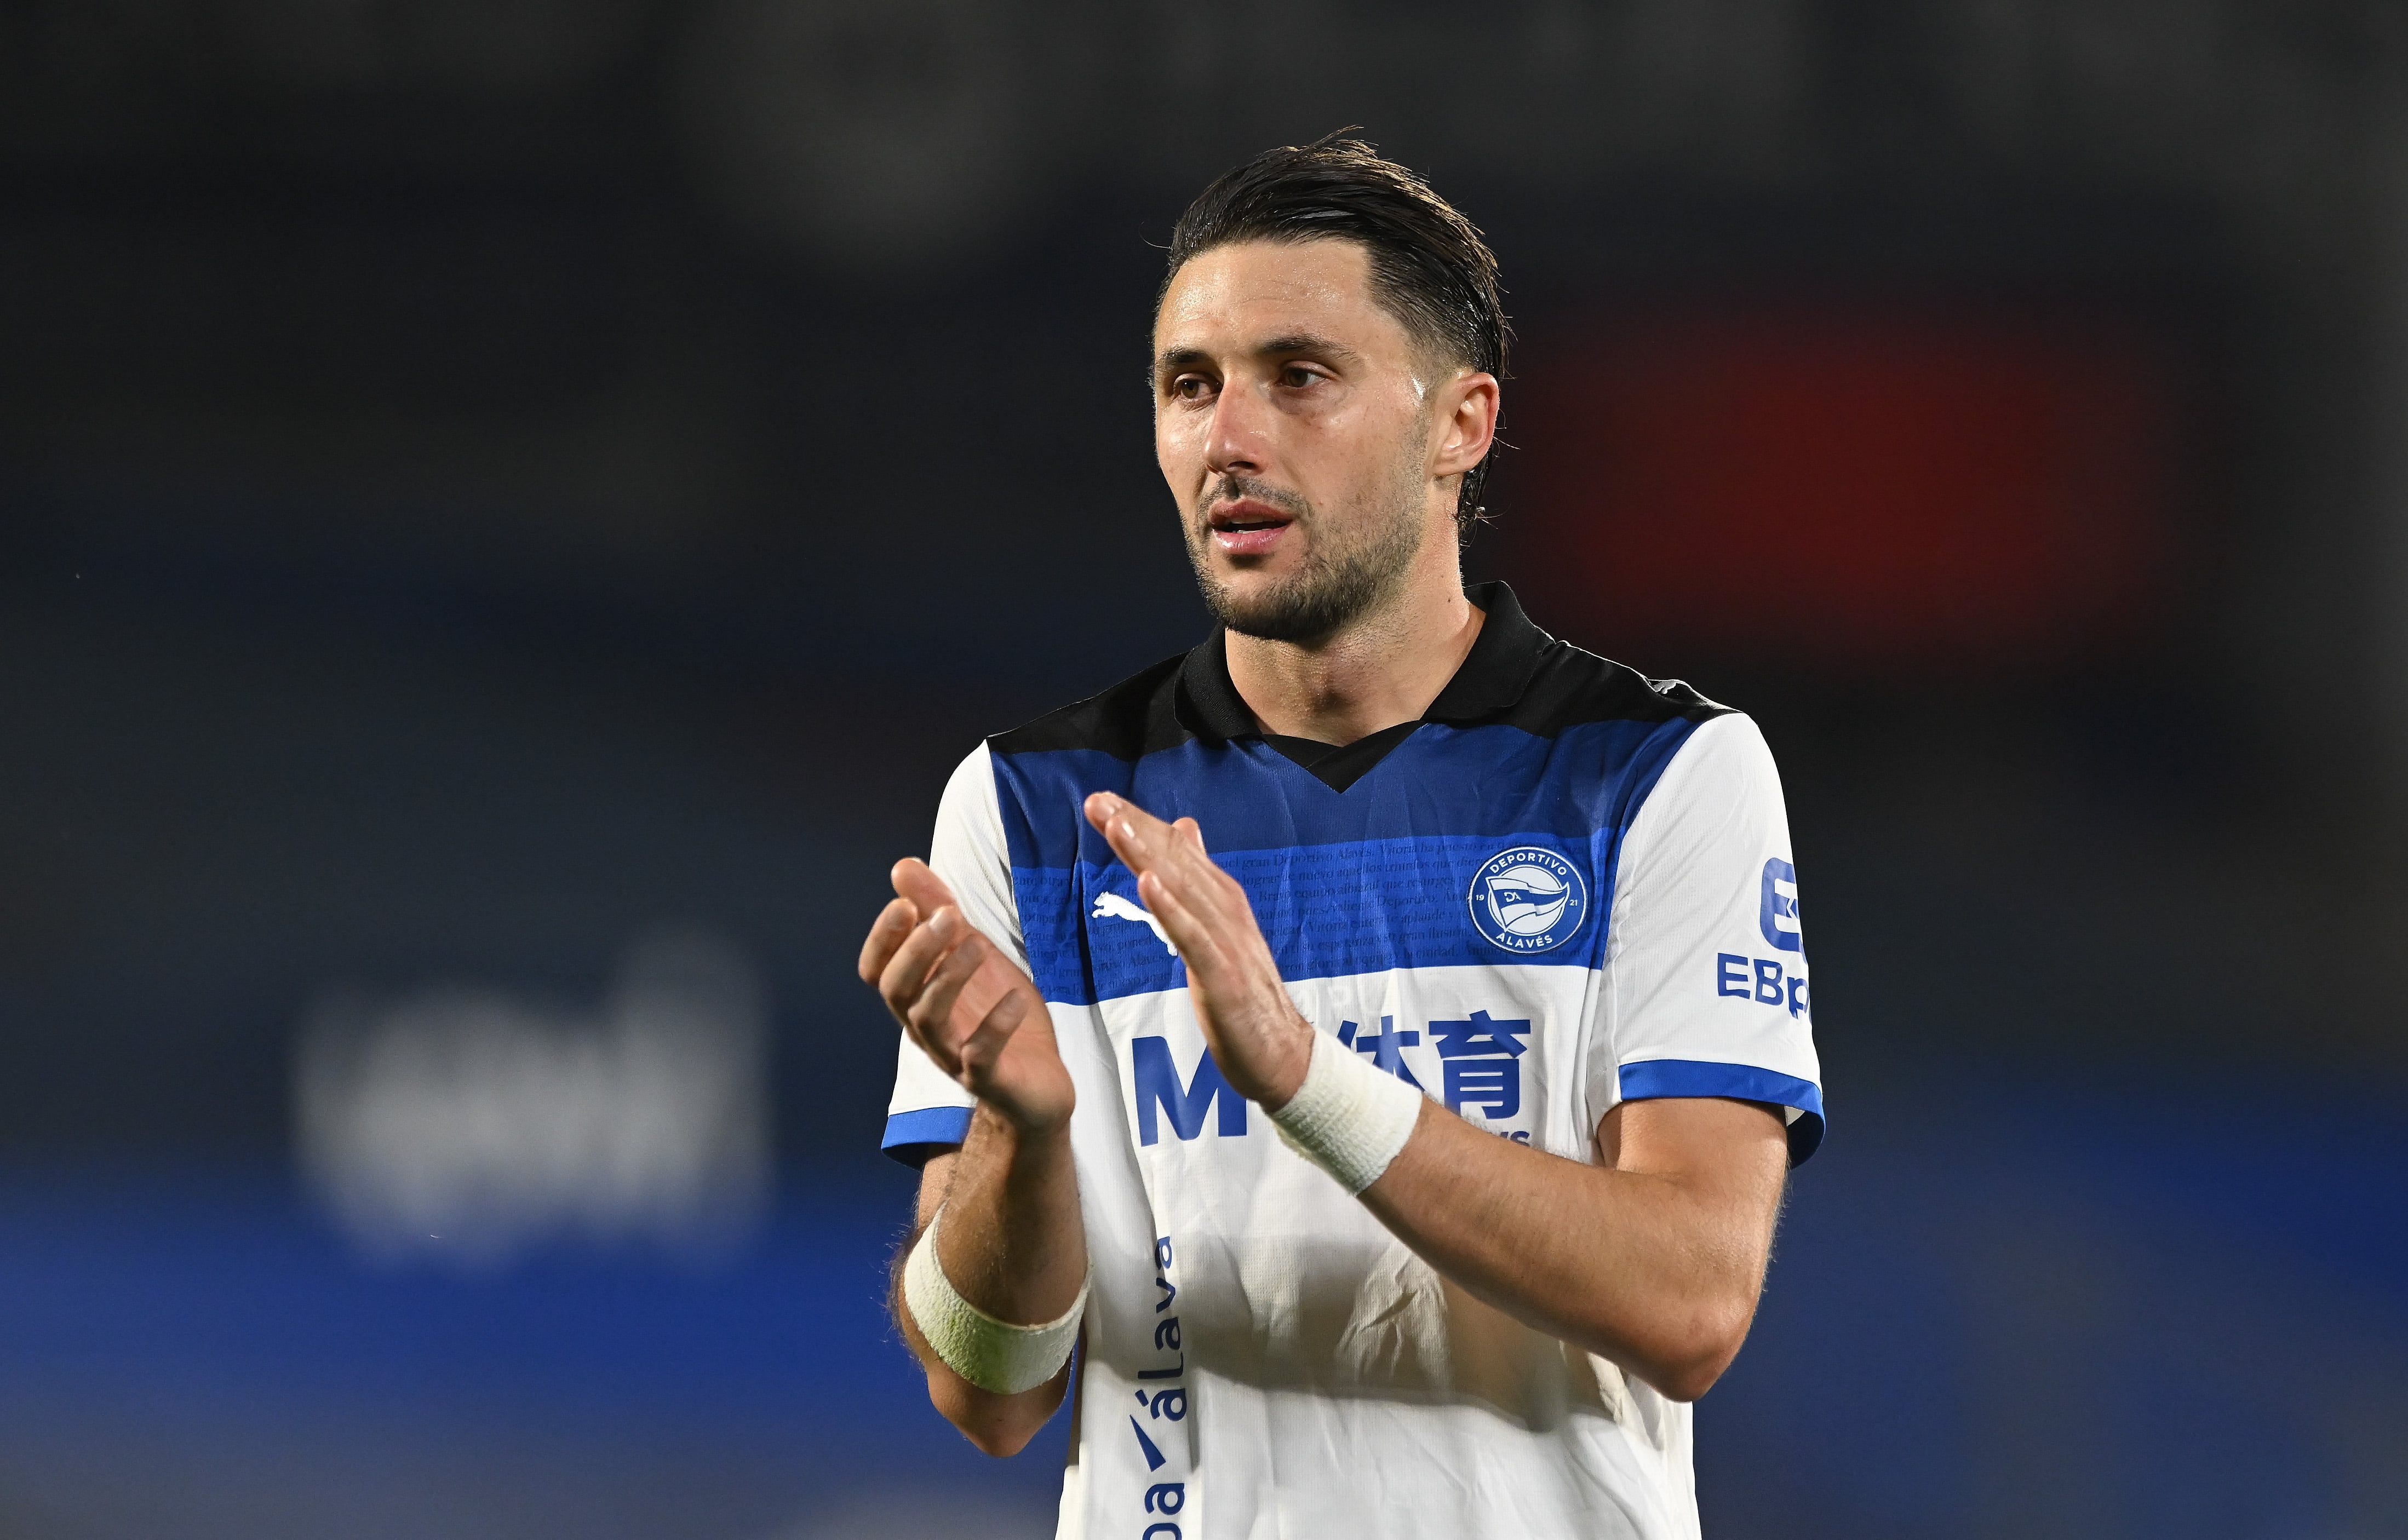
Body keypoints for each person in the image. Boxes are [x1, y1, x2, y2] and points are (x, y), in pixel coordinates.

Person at [859, 134, 1822, 1540]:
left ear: (1461, 423)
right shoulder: (1037, 805)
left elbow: (1688, 1301)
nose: (1227, 438)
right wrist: (1023, 1127)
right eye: (1189, 386)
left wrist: (1306, 1078)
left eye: (1297, 377)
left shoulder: (1658, 774)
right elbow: (990, 1388)